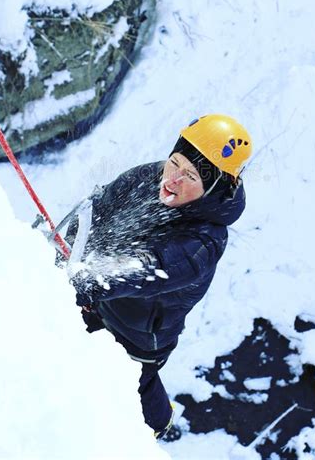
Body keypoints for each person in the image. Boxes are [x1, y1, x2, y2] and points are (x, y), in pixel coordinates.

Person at [60, 114, 252, 440]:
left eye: (190, 175)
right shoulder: (152, 177)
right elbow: (95, 211)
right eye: (174, 163)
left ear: (212, 189)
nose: (173, 179)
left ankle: (155, 428)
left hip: (138, 337)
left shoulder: (204, 242)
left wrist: (69, 283)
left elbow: (143, 269)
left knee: (133, 389)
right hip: (100, 304)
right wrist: (65, 252)